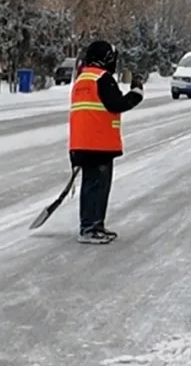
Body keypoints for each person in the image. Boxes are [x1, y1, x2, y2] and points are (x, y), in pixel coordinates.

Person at [69, 40, 145, 244]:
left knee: (90, 186)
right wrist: (136, 92)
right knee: (98, 186)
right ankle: (91, 228)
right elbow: (116, 104)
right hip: (99, 144)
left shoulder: (82, 79)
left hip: (81, 143)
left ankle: (91, 224)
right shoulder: (103, 78)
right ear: (106, 59)